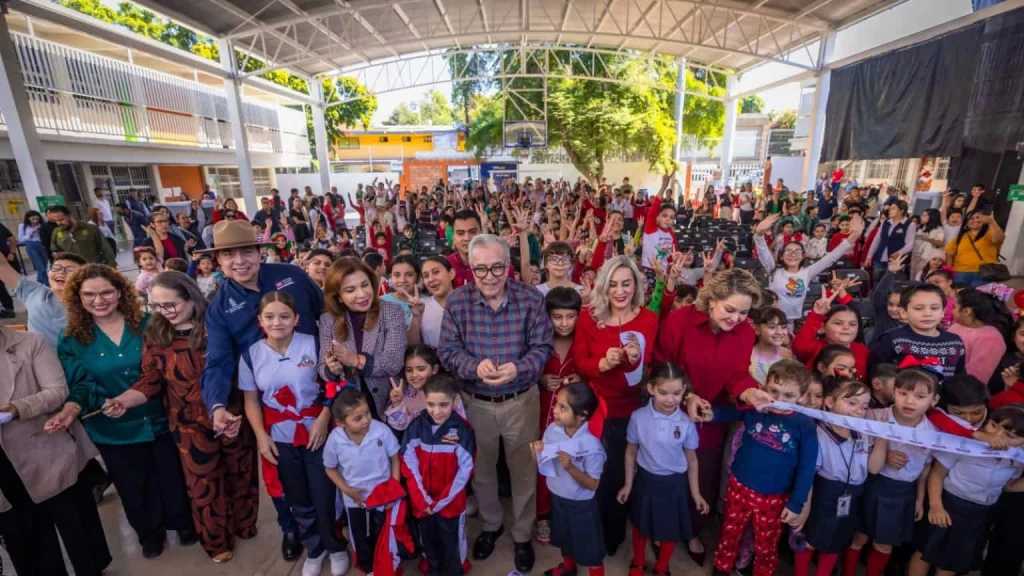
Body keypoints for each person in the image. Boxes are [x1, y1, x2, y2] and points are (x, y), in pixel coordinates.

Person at [100, 272, 258, 563]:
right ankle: (216, 542)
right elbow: (150, 380)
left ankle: (245, 525)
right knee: (203, 486)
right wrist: (124, 401)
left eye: (171, 305)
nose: (165, 312)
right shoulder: (157, 334)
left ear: (191, 298)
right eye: (157, 306)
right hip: (189, 425)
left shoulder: (216, 325)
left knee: (241, 475)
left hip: (231, 414)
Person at [44, 264, 195, 559]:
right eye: (89, 295)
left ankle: (183, 523)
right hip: (112, 425)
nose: (99, 301)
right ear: (77, 297)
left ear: (120, 292)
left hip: (161, 416)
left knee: (172, 475)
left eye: (106, 293)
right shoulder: (72, 338)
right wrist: (86, 404)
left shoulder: (148, 322)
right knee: (132, 483)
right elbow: (80, 383)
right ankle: (150, 533)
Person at [200, 219, 323, 562]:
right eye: (228, 254)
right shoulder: (220, 308)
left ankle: (330, 525)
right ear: (218, 261)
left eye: (245, 251)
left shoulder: (293, 276)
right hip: (270, 405)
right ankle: (291, 527)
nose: (239, 261)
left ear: (259, 252)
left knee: (323, 464)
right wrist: (217, 406)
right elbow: (219, 362)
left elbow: (325, 314)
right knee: (279, 471)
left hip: (318, 393)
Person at [437, 233, 553, 573]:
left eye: (497, 267)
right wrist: (474, 367)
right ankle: (491, 525)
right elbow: (447, 351)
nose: (489, 276)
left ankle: (521, 534)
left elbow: (543, 348)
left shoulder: (530, 299)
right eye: (481, 269)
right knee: (483, 471)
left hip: (521, 401)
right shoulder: (457, 302)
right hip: (475, 402)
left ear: (509, 266)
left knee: (523, 471)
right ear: (470, 268)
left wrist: (518, 367)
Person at [654, 268, 775, 555]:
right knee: (666, 477)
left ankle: (692, 530)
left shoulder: (744, 332)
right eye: (730, 310)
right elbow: (661, 365)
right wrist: (687, 396)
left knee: (704, 478)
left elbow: (736, 375)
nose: (736, 319)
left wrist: (748, 391)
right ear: (711, 301)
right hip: (671, 410)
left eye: (744, 313)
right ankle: (662, 532)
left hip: (711, 419)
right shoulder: (680, 321)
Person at [240, 291, 349, 576]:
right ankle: (314, 547)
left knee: (324, 491)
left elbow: (332, 385)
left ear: (297, 319)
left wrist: (324, 417)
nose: (278, 322)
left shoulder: (312, 345)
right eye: (270, 317)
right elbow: (251, 399)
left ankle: (335, 545)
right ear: (260, 321)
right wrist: (261, 436)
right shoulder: (251, 355)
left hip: (316, 432)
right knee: (297, 495)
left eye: (285, 316)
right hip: (281, 436)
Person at [0, 326, 110, 576]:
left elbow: (57, 391)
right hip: (4, 465)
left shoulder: (29, 342)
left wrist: (18, 408)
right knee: (20, 528)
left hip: (44, 444)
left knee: (72, 522)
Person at [573, 255, 659, 556]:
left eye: (626, 283)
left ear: (635, 285)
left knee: (621, 476)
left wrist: (638, 360)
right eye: (613, 284)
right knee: (594, 472)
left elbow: (653, 364)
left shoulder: (649, 318)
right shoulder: (588, 315)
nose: (620, 291)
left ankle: (613, 533)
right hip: (596, 410)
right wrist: (602, 363)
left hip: (632, 411)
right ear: (603, 286)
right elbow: (580, 362)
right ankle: (592, 529)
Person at [705, 359, 818, 576]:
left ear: (802, 397)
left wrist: (796, 504)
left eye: (788, 396)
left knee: (766, 545)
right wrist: (712, 414)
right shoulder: (756, 408)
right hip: (739, 486)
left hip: (774, 498)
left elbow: (807, 468)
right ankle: (721, 568)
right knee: (729, 533)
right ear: (764, 387)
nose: (778, 400)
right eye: (773, 391)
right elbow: (731, 413)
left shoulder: (805, 426)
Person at [844, 368, 939, 576]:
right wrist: (885, 453)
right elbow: (859, 452)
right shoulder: (874, 416)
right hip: (872, 484)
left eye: (920, 396)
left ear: (934, 400)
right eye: (903, 393)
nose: (910, 401)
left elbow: (925, 468)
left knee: (884, 544)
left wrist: (918, 499)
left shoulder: (933, 433)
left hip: (904, 492)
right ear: (893, 392)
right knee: (859, 536)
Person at [908, 405, 1024, 576]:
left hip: (978, 514)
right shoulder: (966, 442)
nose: (997, 436)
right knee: (925, 552)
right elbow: (937, 475)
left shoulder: (1018, 459)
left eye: (1009, 436)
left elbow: (1008, 486)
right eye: (993, 426)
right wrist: (936, 506)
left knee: (953, 560)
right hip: (948, 505)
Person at [618, 362, 707, 575]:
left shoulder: (686, 422)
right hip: (645, 481)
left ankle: (661, 566)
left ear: (684, 390)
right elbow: (631, 451)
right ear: (651, 389)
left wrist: (696, 493)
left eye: (677, 393)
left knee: (670, 529)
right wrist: (628, 485)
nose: (670, 399)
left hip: (674, 484)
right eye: (663, 392)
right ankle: (638, 561)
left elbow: (692, 459)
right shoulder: (638, 417)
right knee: (640, 525)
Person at [794, 377, 885, 576]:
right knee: (807, 538)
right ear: (829, 402)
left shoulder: (864, 432)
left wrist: (883, 437)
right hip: (824, 492)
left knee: (837, 540)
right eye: (851, 403)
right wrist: (804, 506)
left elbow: (874, 469)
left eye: (864, 406)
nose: (858, 410)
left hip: (853, 494)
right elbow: (808, 475)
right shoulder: (817, 433)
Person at [400, 374, 476, 575]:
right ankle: (433, 567)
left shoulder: (462, 431)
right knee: (429, 540)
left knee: (453, 542)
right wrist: (422, 499)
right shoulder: (416, 426)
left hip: (450, 503)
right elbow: (408, 463)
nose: (436, 411)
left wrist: (440, 502)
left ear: (455, 401)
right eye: (431, 404)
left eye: (444, 405)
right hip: (422, 503)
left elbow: (465, 470)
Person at [323, 387, 405, 575]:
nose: (366, 420)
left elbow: (394, 458)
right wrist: (348, 490)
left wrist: (393, 488)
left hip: (383, 496)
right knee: (360, 537)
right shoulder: (335, 440)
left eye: (367, 413)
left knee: (384, 534)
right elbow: (330, 468)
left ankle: (388, 565)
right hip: (355, 501)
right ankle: (369, 569)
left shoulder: (381, 431)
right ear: (340, 423)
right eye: (357, 418)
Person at [530, 382, 606, 576]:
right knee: (565, 539)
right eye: (556, 404)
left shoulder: (592, 445)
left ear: (582, 416)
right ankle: (569, 567)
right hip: (559, 498)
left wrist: (571, 468)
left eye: (563, 408)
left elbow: (593, 484)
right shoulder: (552, 430)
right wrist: (537, 452)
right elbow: (544, 464)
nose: (555, 410)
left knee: (591, 551)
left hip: (582, 506)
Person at [319, 256, 407, 419]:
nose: (362, 294)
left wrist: (355, 360)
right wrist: (332, 369)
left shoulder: (391, 312)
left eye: (365, 285)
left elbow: (393, 362)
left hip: (388, 404)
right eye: (350, 290)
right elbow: (322, 367)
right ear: (338, 296)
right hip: (350, 410)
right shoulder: (328, 320)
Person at [536, 287, 584, 543]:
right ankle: (543, 516)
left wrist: (582, 378)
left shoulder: (584, 343)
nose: (564, 323)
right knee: (544, 462)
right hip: (543, 412)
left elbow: (594, 370)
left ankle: (568, 513)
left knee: (572, 462)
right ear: (547, 316)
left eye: (570, 316)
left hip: (575, 421)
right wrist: (540, 378)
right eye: (557, 317)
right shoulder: (540, 341)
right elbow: (527, 366)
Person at [754, 213, 865, 322]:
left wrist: (853, 236)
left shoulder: (807, 272)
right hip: (774, 320)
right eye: (788, 251)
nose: (793, 254)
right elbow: (763, 251)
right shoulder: (774, 270)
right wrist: (759, 234)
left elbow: (831, 257)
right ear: (781, 256)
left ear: (803, 256)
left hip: (797, 321)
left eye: (797, 252)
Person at [869, 284, 966, 382]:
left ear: (943, 312)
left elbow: (959, 380)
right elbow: (876, 377)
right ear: (903, 312)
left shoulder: (955, 342)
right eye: (919, 308)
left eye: (934, 308)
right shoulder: (891, 340)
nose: (928, 314)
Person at [0, 250, 84, 347]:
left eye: (69, 270)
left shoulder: (91, 304)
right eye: (56, 268)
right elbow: (2, 267)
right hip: (39, 359)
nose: (61, 272)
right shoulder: (33, 292)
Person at [386, 345, 465, 431]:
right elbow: (400, 425)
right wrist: (397, 403)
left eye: (421, 369)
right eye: (409, 370)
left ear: (434, 369)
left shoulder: (447, 391)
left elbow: (461, 426)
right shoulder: (406, 393)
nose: (414, 375)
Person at [948, 288, 1013, 384]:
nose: (951, 311)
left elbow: (976, 380)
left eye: (954, 307)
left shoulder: (991, 339)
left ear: (967, 311)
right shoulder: (957, 325)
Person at [945, 210, 1005, 287]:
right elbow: (949, 254)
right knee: (960, 298)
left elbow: (999, 239)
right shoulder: (960, 237)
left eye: (978, 217)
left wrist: (992, 222)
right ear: (966, 223)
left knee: (981, 298)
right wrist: (949, 272)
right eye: (971, 218)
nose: (975, 220)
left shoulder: (990, 233)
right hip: (960, 273)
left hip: (984, 273)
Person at [47, 205, 116, 266]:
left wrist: (111, 266)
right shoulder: (57, 232)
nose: (58, 223)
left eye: (61, 219)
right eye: (55, 221)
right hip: (73, 272)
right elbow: (54, 250)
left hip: (93, 269)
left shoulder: (91, 229)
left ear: (70, 216)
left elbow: (106, 248)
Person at [419, 256, 456, 347]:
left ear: (451, 273)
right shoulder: (421, 306)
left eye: (436, 272)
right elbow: (414, 345)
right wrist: (415, 317)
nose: (431, 279)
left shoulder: (468, 302)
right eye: (426, 276)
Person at [18, 210, 48, 285]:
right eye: (33, 219)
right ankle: (47, 285)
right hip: (31, 245)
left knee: (45, 265)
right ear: (28, 218)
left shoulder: (41, 225)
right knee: (41, 266)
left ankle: (40, 282)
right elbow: (20, 239)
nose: (35, 221)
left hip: (41, 244)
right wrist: (30, 234)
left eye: (37, 219)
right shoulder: (22, 226)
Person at [0, 221, 21, 319]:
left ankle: (35, 306)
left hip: (8, 259)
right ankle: (8, 309)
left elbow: (12, 239)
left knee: (18, 284)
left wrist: (12, 253)